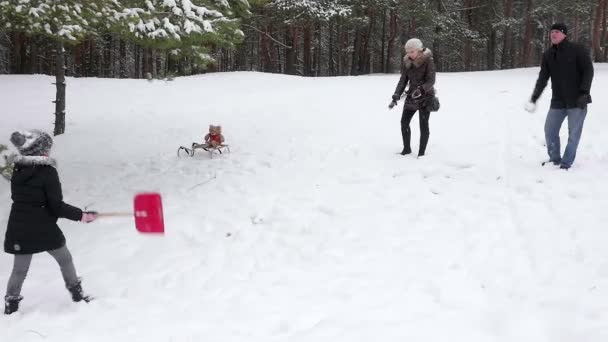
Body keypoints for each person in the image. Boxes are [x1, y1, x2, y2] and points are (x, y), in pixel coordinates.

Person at [4, 130, 98, 315]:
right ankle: (77, 294)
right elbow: (56, 206)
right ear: (39, 150)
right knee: (65, 259)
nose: (49, 151)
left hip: (19, 227)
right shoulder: (48, 172)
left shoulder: (17, 169)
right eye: (47, 148)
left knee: (19, 270)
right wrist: (81, 215)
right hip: (43, 228)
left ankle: (11, 306)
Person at [525, 23, 594, 170]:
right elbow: (543, 78)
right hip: (558, 100)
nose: (553, 34)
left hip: (577, 100)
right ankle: (554, 158)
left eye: (556, 31)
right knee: (550, 130)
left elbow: (588, 70)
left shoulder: (577, 50)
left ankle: (566, 162)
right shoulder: (549, 54)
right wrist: (534, 97)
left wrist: (584, 92)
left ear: (564, 34)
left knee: (573, 134)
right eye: (551, 32)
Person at [390, 38, 436, 157]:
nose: (409, 54)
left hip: (426, 96)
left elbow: (431, 80)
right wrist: (397, 94)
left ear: (419, 50)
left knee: (423, 124)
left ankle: (421, 154)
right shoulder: (407, 61)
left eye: (412, 51)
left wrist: (421, 89)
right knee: (404, 122)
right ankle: (406, 149)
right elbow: (403, 80)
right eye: (407, 52)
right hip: (411, 96)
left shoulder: (428, 60)